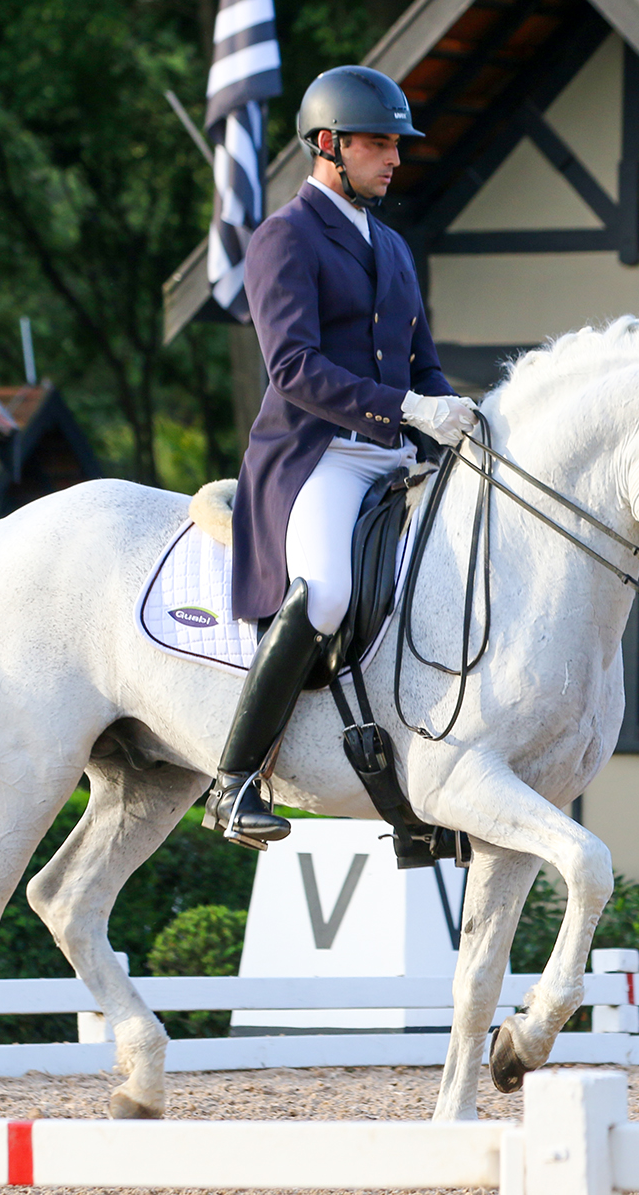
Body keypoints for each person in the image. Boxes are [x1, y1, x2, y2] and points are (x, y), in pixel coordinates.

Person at [208, 65, 479, 849]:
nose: (394, 158)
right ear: (330, 145)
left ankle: (419, 793)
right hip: (318, 455)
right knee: (325, 593)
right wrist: (405, 407)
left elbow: (420, 364)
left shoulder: (391, 245)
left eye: (396, 145)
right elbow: (291, 367)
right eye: (379, 144)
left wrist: (455, 414)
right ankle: (233, 781)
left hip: (393, 454)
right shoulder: (283, 237)